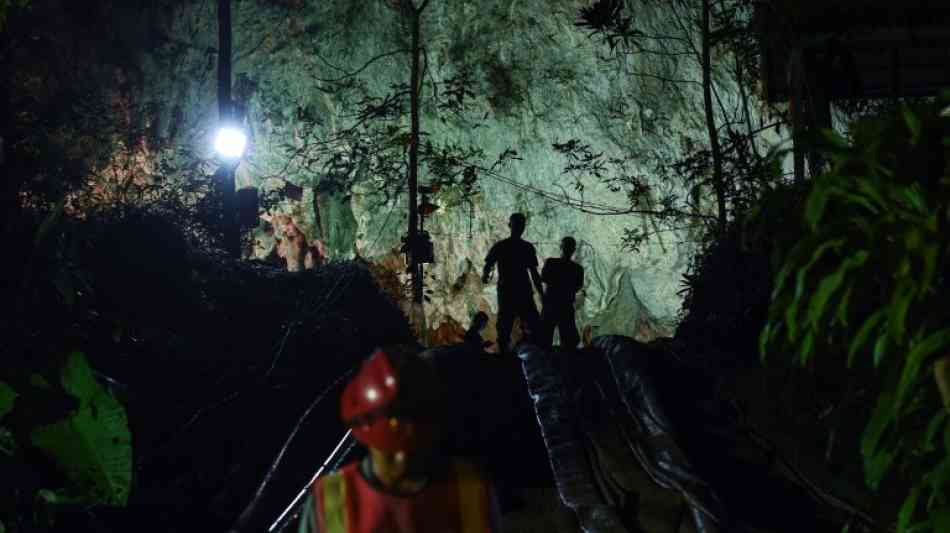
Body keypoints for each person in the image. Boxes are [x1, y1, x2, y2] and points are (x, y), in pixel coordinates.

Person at [293, 347, 500, 533]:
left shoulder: (470, 491)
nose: (403, 461)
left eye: (415, 449)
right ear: (365, 438)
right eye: (390, 451)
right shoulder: (331, 501)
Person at [482, 213, 543, 355]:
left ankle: (503, 359)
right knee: (533, 324)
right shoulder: (527, 247)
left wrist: (485, 275)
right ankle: (537, 356)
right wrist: (541, 293)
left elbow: (488, 265)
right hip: (523, 290)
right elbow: (534, 273)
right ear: (523, 228)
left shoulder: (501, 246)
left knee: (504, 326)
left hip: (507, 291)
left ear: (509, 226)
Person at [540, 237, 584, 349]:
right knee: (569, 341)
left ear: (561, 247)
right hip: (565, 305)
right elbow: (577, 287)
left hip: (551, 304)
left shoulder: (551, 263)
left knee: (544, 338)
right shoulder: (577, 269)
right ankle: (567, 363)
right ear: (574, 249)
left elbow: (544, 278)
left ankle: (545, 362)